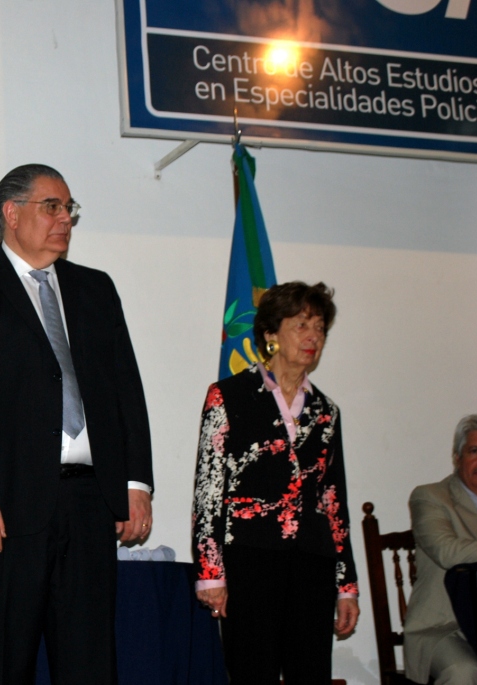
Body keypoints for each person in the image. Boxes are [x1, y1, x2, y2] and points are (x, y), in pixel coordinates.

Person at [0, 164, 154, 685]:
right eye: (51, 206)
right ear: (11, 213)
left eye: (69, 208)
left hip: (90, 504)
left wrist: (135, 482)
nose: (64, 219)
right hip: (0, 509)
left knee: (91, 664)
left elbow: (125, 390)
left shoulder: (96, 289)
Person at [191, 281, 359, 684]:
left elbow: (333, 500)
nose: (313, 337)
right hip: (250, 558)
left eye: (320, 328)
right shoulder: (227, 396)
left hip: (312, 564)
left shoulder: (326, 411)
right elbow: (209, 490)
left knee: (310, 674)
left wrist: (346, 586)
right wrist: (211, 572)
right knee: (252, 673)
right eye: (302, 325)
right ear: (271, 334)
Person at [404, 414, 477, 685]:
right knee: (465, 671)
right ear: (457, 457)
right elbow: (446, 552)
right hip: (443, 628)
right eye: (474, 451)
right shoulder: (430, 497)